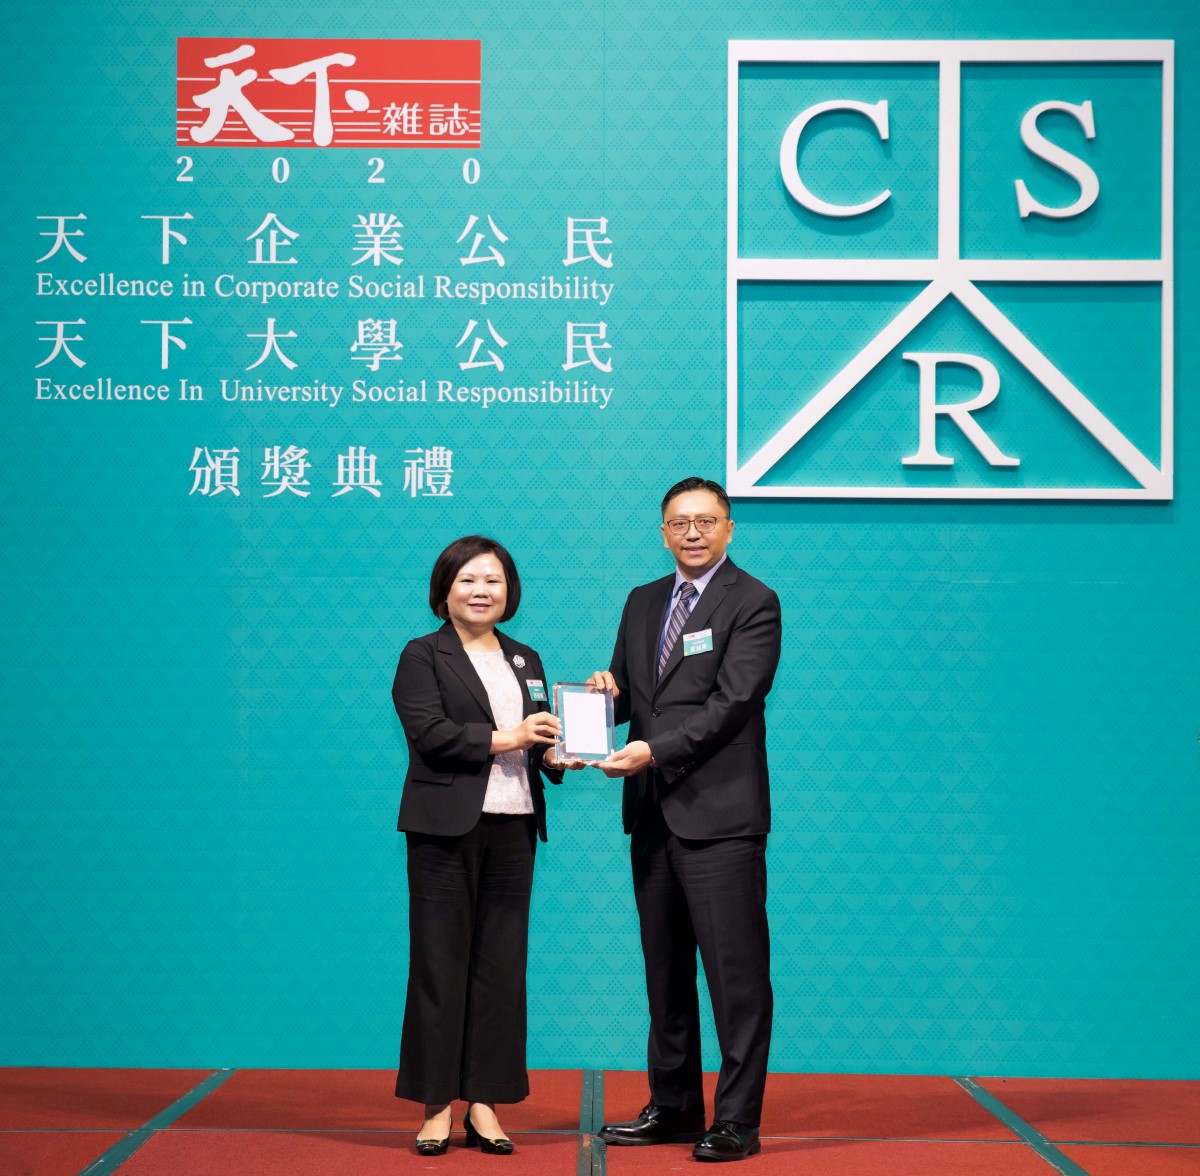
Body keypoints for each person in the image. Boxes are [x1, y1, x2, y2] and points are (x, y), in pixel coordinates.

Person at [589, 477, 782, 1163]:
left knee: (735, 978)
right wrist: (595, 704)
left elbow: (733, 703)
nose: (692, 533)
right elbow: (630, 697)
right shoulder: (643, 600)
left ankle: (736, 1120)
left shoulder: (753, 601)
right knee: (665, 973)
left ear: (729, 528)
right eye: (679, 523)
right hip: (651, 816)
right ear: (663, 532)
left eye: (705, 521)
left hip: (721, 819)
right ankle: (673, 1105)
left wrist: (653, 750)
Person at [391, 535, 581, 1156]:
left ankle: (485, 1105)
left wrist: (557, 754)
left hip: (514, 827)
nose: (481, 591)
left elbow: (536, 742)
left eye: (493, 580)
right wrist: (512, 737)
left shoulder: (526, 658)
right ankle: (435, 1107)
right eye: (468, 580)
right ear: (445, 590)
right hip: (445, 830)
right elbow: (430, 734)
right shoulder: (423, 655)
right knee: (439, 966)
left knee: (501, 970)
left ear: (509, 591)